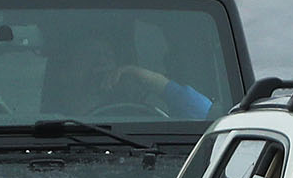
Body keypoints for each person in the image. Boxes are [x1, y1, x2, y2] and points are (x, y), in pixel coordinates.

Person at [67, 29, 212, 119]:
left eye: (108, 55)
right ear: (65, 71)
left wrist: (141, 75)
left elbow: (206, 114)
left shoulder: (138, 120)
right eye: (91, 55)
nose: (101, 62)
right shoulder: (49, 123)